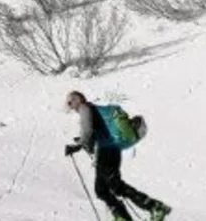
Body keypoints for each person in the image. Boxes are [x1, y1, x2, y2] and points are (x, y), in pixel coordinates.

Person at [64, 91, 170, 221]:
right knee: (101, 190)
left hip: (109, 150)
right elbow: (93, 132)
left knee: (115, 185)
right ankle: (122, 216)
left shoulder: (85, 108)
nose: (70, 106)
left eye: (70, 102)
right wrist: (84, 142)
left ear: (77, 99)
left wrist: (78, 145)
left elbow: (87, 131)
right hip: (107, 150)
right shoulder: (92, 109)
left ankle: (155, 207)